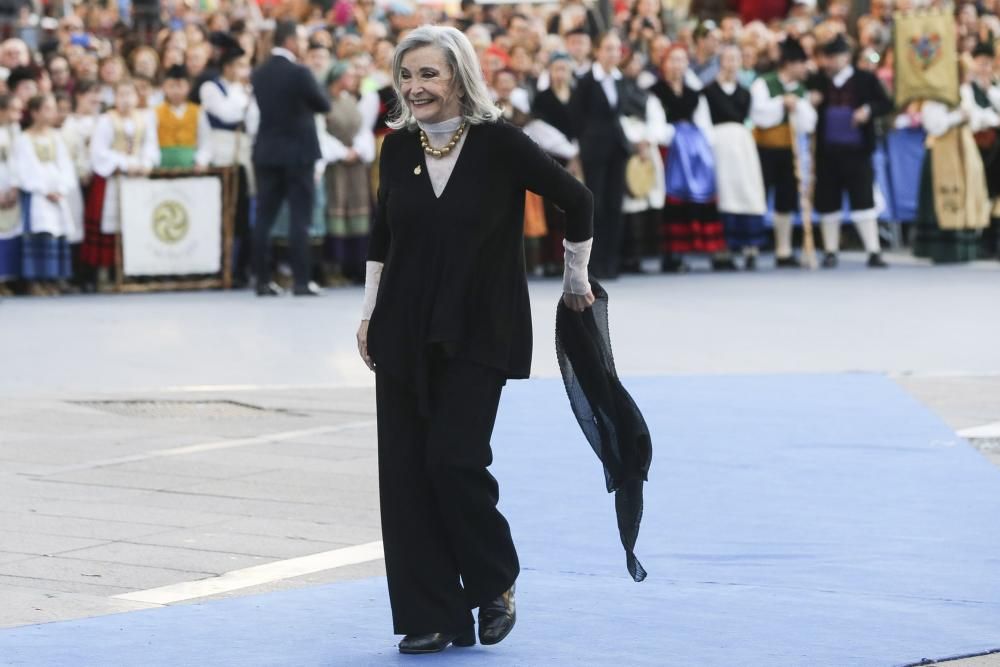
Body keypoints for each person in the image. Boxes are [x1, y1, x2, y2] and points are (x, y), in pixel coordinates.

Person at [355, 25, 594, 655]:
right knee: (404, 472)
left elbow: (578, 199)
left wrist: (575, 281)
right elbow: (384, 237)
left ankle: (495, 579)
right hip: (402, 325)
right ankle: (432, 616)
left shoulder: (500, 144)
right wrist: (368, 313)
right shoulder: (397, 147)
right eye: (407, 76)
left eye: (429, 74)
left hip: (480, 326)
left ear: (459, 76)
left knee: (453, 459)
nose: (415, 87)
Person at [251, 20, 331, 297]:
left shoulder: (259, 73)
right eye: (300, 38)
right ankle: (301, 281)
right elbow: (324, 104)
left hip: (267, 151)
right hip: (298, 153)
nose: (303, 44)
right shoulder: (300, 72)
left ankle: (262, 280)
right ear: (289, 41)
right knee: (300, 218)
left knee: (264, 217)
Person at [811, 34, 892, 268]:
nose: (832, 62)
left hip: (857, 151)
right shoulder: (819, 81)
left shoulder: (865, 79)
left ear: (847, 57)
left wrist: (867, 110)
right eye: (829, 58)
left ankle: (873, 250)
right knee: (828, 202)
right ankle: (830, 250)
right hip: (827, 152)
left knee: (863, 200)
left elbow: (886, 103)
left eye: (836, 57)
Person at [652, 46, 729, 271]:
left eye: (682, 61)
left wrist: (704, 146)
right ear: (664, 64)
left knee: (701, 195)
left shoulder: (694, 94)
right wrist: (672, 135)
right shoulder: (656, 91)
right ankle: (673, 253)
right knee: (672, 199)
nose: (677, 65)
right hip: (670, 148)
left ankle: (708, 248)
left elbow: (703, 122)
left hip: (694, 150)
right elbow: (655, 121)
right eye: (673, 60)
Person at [83, 79, 160, 288]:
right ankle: (104, 272)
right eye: (121, 95)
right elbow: (99, 151)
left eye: (129, 95)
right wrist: (125, 164)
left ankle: (132, 271)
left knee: (135, 223)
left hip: (136, 180)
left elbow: (151, 145)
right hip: (113, 179)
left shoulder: (144, 119)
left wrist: (146, 163)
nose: (125, 100)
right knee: (110, 223)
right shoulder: (107, 120)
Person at [195, 41, 258, 287]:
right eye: (239, 66)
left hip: (242, 154)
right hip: (220, 154)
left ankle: (239, 268)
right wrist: (245, 102)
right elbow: (226, 114)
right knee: (221, 213)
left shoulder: (244, 90)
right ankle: (219, 267)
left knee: (241, 214)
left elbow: (253, 121)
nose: (243, 71)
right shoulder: (211, 88)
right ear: (228, 67)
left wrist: (246, 102)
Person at [750, 37, 816, 268]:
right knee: (758, 196)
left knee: (786, 199)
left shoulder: (800, 90)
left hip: (790, 150)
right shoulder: (764, 83)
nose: (804, 68)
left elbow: (809, 123)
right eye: (801, 63)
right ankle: (752, 247)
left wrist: (797, 106)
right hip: (764, 149)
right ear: (789, 64)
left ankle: (784, 249)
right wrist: (780, 104)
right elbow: (758, 115)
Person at [570, 30, 630, 279]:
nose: (613, 53)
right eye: (608, 48)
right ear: (598, 51)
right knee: (597, 206)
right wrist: (576, 151)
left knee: (615, 204)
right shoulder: (585, 81)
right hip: (593, 150)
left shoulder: (620, 80)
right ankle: (593, 264)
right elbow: (575, 117)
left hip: (618, 148)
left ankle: (611, 261)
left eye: (617, 49)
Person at [704, 44, 767, 269]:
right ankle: (723, 249)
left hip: (742, 144)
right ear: (721, 62)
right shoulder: (709, 91)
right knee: (724, 191)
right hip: (719, 143)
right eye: (727, 59)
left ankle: (750, 246)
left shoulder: (745, 92)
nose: (731, 64)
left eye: (735, 59)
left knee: (747, 190)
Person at [13, 94, 77, 295]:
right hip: (38, 194)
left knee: (57, 232)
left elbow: (65, 165)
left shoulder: (55, 136)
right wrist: (44, 189)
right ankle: (35, 280)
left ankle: (54, 278)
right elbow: (24, 168)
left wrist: (61, 187)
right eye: (47, 109)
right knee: (39, 233)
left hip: (56, 191)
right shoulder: (24, 139)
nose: (52, 113)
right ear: (35, 113)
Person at [915, 96, 990, 263]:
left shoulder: (964, 92)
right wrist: (957, 116)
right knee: (945, 197)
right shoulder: (934, 98)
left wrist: (971, 116)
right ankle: (942, 250)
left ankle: (963, 250)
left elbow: (977, 119)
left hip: (963, 150)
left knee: (965, 195)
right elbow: (934, 127)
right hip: (941, 152)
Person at [966, 41, 1000, 257]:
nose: (984, 68)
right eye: (981, 63)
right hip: (976, 145)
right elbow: (973, 117)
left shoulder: (995, 87)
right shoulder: (967, 88)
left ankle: (992, 239)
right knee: (982, 193)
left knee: (995, 195)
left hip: (995, 147)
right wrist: (992, 118)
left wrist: (991, 91)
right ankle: (979, 240)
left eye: (988, 64)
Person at [155, 65, 206, 169]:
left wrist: (201, 160)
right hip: (162, 166)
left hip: (191, 165)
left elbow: (205, 140)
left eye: (180, 86)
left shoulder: (198, 111)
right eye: (171, 86)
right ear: (164, 87)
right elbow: (151, 141)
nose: (176, 91)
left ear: (189, 87)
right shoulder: (156, 112)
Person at [0, 95, 21, 297]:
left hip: (9, 184)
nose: (18, 115)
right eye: (13, 110)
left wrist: (15, 187)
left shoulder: (14, 132)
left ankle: (6, 279)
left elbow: (17, 162)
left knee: (9, 232)